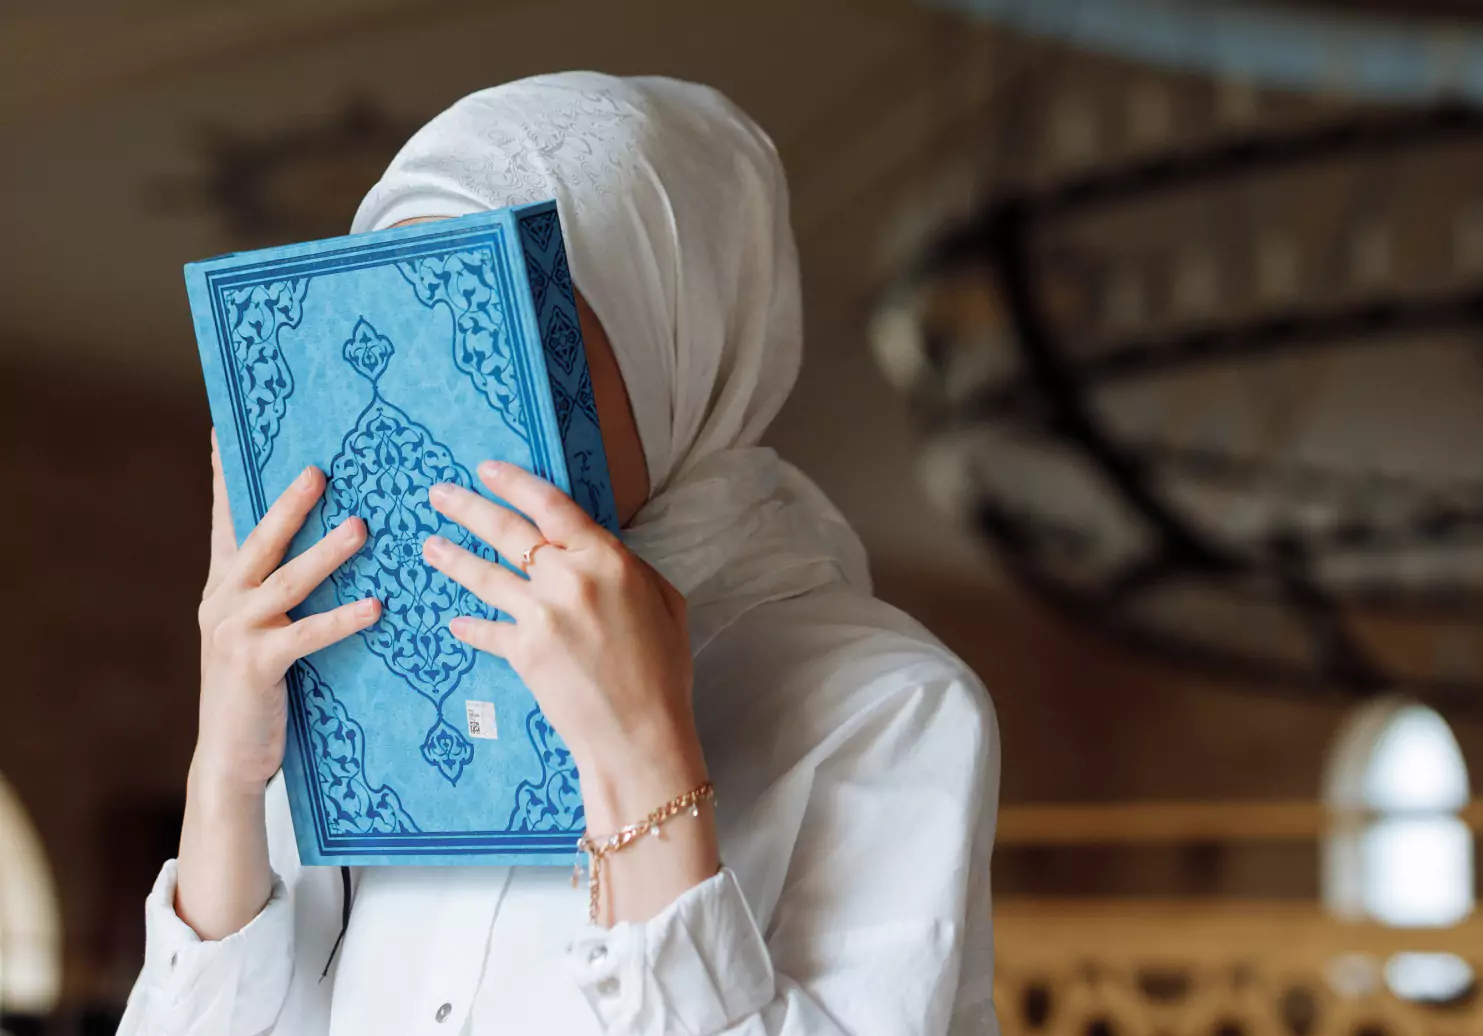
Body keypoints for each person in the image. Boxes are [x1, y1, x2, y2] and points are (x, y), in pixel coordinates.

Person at [119, 71, 1000, 1036]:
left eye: (510, 339)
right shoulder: (354, 670)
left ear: (677, 342)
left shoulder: (885, 705)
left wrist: (647, 763)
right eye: (423, 341)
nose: (444, 411)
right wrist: (228, 783)